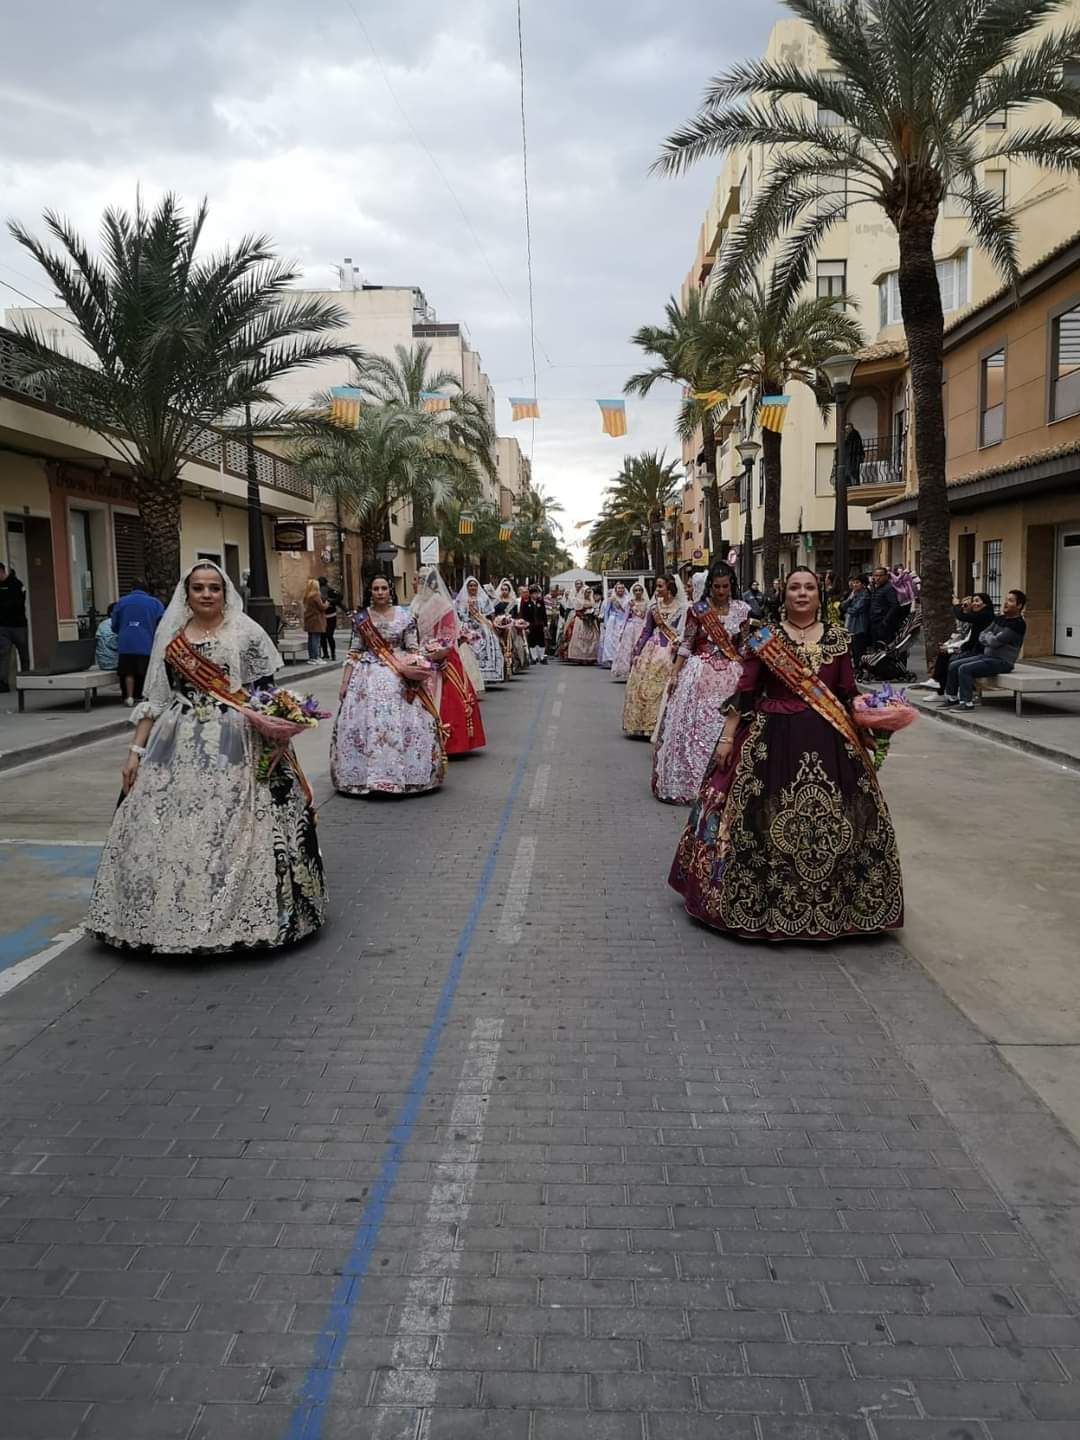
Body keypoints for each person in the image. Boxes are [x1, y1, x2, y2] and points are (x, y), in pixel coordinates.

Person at [86, 561, 326, 953]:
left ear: (225, 591)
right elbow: (156, 701)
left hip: (237, 739)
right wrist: (135, 752)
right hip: (177, 740)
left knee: (239, 828)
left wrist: (278, 729)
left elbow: (265, 693)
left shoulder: (246, 632)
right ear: (187, 593)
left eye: (214, 587)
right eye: (198, 588)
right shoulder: (172, 638)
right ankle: (172, 916)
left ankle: (242, 913)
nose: (207, 594)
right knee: (172, 828)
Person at [670, 567, 903, 941]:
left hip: (830, 740)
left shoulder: (839, 639)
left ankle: (838, 906)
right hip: (772, 740)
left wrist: (873, 720)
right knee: (765, 818)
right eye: (795, 587)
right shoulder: (766, 638)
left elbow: (846, 692)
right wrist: (728, 738)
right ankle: (760, 902)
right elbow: (746, 690)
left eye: (810, 587)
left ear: (819, 595)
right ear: (785, 594)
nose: (802, 593)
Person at [331, 575, 446, 796]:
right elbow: (354, 652)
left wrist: (416, 668)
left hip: (399, 674)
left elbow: (413, 648)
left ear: (390, 590)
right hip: (366, 677)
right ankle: (367, 777)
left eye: (384, 588)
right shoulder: (361, 619)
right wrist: (345, 682)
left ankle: (408, 775)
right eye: (376, 588)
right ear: (370, 592)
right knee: (366, 723)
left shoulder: (405, 616)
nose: (380, 592)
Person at [653, 561, 749, 805]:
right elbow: (687, 644)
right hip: (699, 674)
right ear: (710, 587)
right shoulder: (698, 610)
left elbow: (745, 646)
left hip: (732, 674)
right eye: (716, 586)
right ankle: (690, 782)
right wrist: (675, 673)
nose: (720, 591)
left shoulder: (742, 610)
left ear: (732, 586)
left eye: (725, 586)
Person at [412, 567, 486, 756]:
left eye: (418, 580)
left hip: (440, 655)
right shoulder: (416, 603)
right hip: (418, 654)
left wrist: (434, 652)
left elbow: (447, 635)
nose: (414, 583)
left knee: (447, 698)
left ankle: (450, 741)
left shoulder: (441, 604)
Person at [622, 574, 686, 738]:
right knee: (642, 685)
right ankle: (642, 724)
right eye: (656, 586)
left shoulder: (682, 608)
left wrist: (678, 645)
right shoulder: (653, 607)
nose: (657, 590)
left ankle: (658, 725)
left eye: (660, 586)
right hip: (651, 649)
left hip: (670, 651)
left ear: (670, 588)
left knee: (661, 688)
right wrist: (637, 652)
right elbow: (647, 631)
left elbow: (683, 632)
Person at [942, 589, 1027, 709]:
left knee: (964, 669)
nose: (1006, 603)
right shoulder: (1000, 618)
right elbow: (983, 634)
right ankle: (951, 698)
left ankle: (966, 703)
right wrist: (990, 637)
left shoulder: (1018, 624)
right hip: (987, 657)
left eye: (1011, 601)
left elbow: (995, 642)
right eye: (1006, 600)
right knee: (953, 665)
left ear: (1019, 605)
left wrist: (990, 638)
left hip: (1002, 662)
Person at [919, 593, 994, 693]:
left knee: (952, 661)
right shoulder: (976, 616)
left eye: (977, 601)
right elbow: (962, 635)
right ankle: (939, 687)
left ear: (985, 604)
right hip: (968, 648)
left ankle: (949, 692)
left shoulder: (985, 615)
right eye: (973, 602)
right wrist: (950, 646)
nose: (974, 604)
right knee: (945, 654)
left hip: (977, 651)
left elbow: (962, 619)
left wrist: (957, 605)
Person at [111, 579, 165, 707]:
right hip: (146, 642)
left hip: (126, 643)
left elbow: (114, 624)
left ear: (132, 588)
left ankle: (129, 697)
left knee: (128, 672)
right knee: (145, 671)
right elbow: (162, 624)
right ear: (147, 590)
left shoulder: (121, 602)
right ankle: (143, 696)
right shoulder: (155, 603)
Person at [455, 576, 504, 687]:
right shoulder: (462, 600)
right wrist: (469, 618)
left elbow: (489, 612)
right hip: (467, 626)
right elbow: (459, 614)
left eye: (475, 585)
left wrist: (484, 621)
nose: (473, 588)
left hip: (482, 625)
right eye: (470, 586)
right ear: (467, 587)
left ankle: (486, 675)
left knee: (487, 645)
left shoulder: (483, 599)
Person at [610, 581, 649, 682]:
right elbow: (625, 616)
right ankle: (629, 671)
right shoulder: (629, 602)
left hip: (641, 627)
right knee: (628, 649)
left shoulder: (646, 602)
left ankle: (639, 671)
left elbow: (645, 616)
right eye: (636, 590)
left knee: (640, 648)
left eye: (640, 590)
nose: (638, 592)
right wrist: (622, 630)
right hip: (630, 627)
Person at [0, 562, 30, 692]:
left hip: (18, 625)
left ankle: (26, 680)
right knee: (3, 654)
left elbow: (19, 602)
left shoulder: (17, 584)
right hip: (2, 627)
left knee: (23, 653)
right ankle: (3, 683)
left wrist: (5, 605)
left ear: (2, 571)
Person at [840, 574, 872, 671]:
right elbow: (842, 606)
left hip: (860, 626)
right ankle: (857, 668)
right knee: (854, 650)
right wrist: (850, 598)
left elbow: (855, 610)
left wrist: (847, 610)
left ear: (863, 584)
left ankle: (860, 669)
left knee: (859, 650)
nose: (854, 584)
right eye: (854, 582)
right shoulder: (854, 594)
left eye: (857, 582)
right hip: (851, 626)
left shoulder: (865, 595)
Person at [565, 586, 601, 665]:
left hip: (590, 622)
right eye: (586, 592)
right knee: (579, 638)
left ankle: (590, 657)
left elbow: (594, 608)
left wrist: (592, 615)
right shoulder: (579, 600)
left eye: (589, 592)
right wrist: (583, 615)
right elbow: (577, 610)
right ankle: (580, 657)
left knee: (592, 638)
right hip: (580, 621)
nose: (588, 594)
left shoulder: (592, 600)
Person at [868, 566, 902, 648]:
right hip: (874, 622)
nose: (878, 578)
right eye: (876, 575)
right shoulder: (875, 588)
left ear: (886, 576)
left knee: (884, 648)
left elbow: (894, 605)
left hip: (883, 624)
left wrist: (885, 621)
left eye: (880, 575)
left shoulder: (888, 588)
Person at [599, 583, 630, 668]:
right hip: (613, 621)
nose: (621, 590)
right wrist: (606, 623)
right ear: (615, 589)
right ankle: (611, 658)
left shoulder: (627, 599)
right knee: (611, 640)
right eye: (619, 588)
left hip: (623, 620)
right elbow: (606, 611)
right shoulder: (612, 599)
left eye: (622, 588)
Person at [518, 585, 549, 665]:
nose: (536, 595)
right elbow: (524, 616)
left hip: (540, 625)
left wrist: (545, 625)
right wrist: (526, 626)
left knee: (541, 641)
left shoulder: (540, 602)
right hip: (531, 625)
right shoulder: (526, 603)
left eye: (536, 593)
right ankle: (534, 657)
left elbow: (544, 614)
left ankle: (542, 657)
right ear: (530, 594)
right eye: (534, 594)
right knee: (532, 641)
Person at [302, 578, 329, 662]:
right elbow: (322, 607)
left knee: (311, 638)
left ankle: (311, 657)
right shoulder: (316, 595)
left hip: (309, 619)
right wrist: (327, 604)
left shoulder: (307, 596)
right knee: (316, 639)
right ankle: (316, 657)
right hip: (316, 620)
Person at [319, 578, 341, 661]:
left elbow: (339, 597)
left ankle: (329, 654)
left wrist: (331, 601)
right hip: (328, 616)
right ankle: (329, 654)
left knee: (326, 636)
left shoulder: (330, 590)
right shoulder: (320, 591)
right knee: (327, 636)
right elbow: (339, 597)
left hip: (330, 616)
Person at [95, 603, 119, 673]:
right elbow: (113, 643)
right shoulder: (107, 623)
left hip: (107, 661)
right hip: (110, 662)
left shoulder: (105, 623)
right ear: (112, 613)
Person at [843, 422, 864, 487]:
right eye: (846, 429)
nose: (847, 430)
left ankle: (853, 484)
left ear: (851, 428)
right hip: (849, 457)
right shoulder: (847, 436)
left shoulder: (855, 435)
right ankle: (850, 483)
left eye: (848, 428)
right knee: (849, 472)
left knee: (853, 472)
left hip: (853, 458)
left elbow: (858, 447)